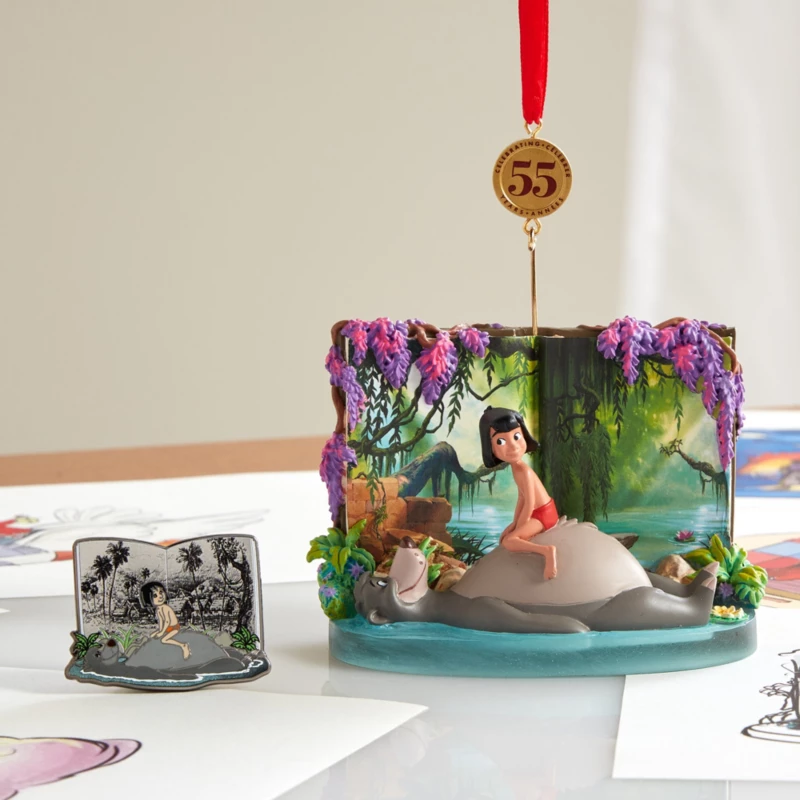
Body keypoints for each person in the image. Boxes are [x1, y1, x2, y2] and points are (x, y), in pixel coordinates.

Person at [479, 406, 559, 579]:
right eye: (501, 441)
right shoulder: (517, 469)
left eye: (516, 437)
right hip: (536, 513)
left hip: (544, 514)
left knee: (509, 541)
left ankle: (547, 551)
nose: (513, 446)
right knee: (506, 538)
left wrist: (519, 529)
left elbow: (530, 503)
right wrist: (514, 523)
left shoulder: (524, 471)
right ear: (490, 448)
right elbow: (522, 498)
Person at [141, 581, 191, 659]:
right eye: (155, 595)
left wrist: (162, 632)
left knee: (164, 640)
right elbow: (161, 621)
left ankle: (183, 645)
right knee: (151, 636)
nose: (160, 596)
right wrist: (160, 631)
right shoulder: (158, 609)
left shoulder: (165, 608)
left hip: (173, 628)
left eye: (161, 592)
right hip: (167, 628)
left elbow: (167, 621)